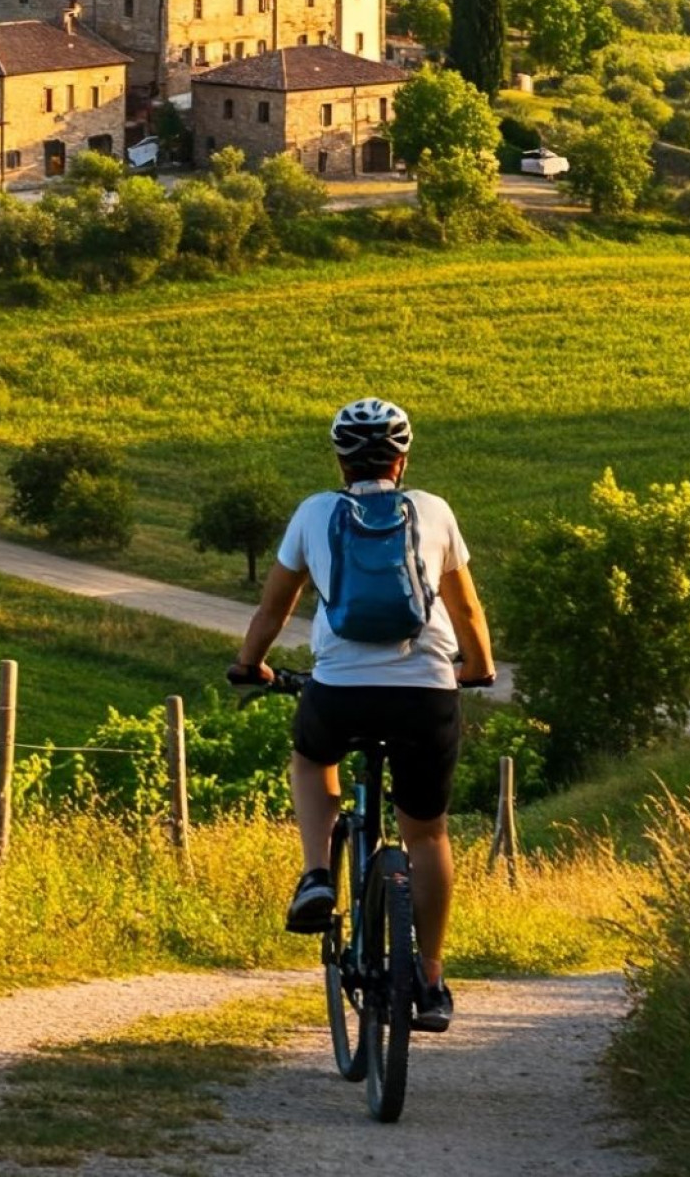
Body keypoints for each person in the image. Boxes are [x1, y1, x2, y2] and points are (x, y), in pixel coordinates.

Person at [226, 398, 495, 1034]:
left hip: (340, 688)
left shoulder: (314, 513)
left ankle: (318, 874)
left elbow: (272, 611)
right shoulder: (433, 511)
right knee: (427, 834)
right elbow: (468, 614)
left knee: (312, 757)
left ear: (340, 458)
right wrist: (478, 670)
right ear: (402, 458)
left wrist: (249, 664)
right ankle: (429, 980)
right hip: (426, 691)